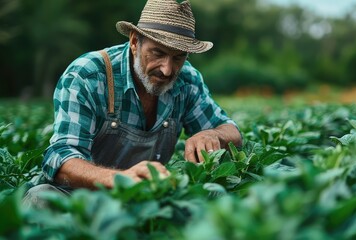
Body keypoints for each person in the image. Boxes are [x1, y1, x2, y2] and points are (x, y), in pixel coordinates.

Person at [23, 0, 242, 205]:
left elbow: (232, 132)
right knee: (40, 198)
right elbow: (61, 157)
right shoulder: (88, 74)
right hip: (78, 199)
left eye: (178, 57)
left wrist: (214, 134)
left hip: (143, 201)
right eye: (157, 53)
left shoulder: (186, 80)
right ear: (135, 42)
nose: (167, 69)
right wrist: (119, 179)